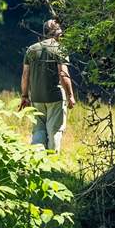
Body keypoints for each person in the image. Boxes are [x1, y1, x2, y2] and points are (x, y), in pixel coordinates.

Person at [20, 19, 76, 151]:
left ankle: (38, 162)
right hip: (55, 97)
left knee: (38, 130)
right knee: (54, 131)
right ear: (58, 33)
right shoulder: (59, 49)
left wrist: (24, 95)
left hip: (36, 97)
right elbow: (63, 74)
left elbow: (25, 75)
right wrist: (70, 96)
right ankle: (52, 165)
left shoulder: (31, 49)